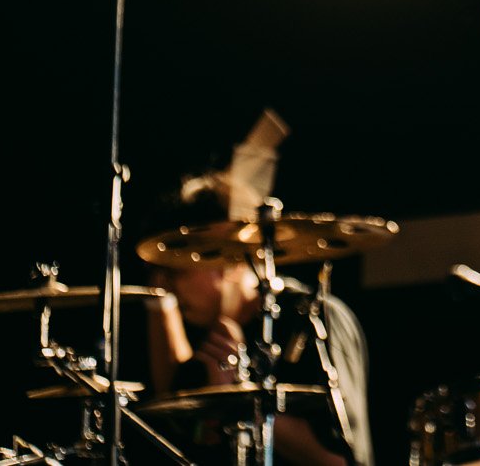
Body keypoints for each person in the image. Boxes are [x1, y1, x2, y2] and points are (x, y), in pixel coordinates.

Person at [141, 176, 375, 466]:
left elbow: (340, 461)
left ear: (226, 257)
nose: (166, 287)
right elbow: (175, 405)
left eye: (177, 271)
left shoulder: (315, 317)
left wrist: (239, 395)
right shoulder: (215, 333)